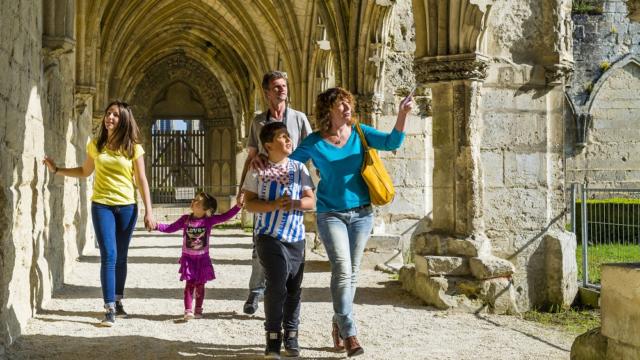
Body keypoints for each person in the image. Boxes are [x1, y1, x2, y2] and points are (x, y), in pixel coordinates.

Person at [289, 87, 413, 357]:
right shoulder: (314, 142)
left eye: (348, 104)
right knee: (343, 269)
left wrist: (403, 114)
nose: (347, 108)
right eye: (341, 105)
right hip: (329, 213)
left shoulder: (360, 132)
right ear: (328, 111)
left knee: (352, 272)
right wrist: (266, 167)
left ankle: (338, 321)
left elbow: (392, 142)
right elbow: (290, 166)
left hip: (362, 214)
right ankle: (350, 331)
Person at [43, 100, 156, 327]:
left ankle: (118, 299)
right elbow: (85, 171)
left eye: (114, 115)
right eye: (107, 114)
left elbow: (141, 180)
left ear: (123, 119)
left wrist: (148, 211)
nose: (109, 118)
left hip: (127, 207)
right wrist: (57, 170)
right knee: (109, 255)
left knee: (121, 257)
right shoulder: (96, 145)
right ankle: (109, 308)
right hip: (102, 206)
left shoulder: (134, 148)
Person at [237, 70, 312, 315]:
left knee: (290, 242)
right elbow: (251, 157)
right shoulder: (258, 121)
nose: (282, 90)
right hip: (265, 186)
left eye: (284, 86)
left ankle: (281, 292)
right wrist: (242, 189)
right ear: (267, 92)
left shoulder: (299, 119)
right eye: (276, 87)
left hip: (292, 184)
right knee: (260, 243)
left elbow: (312, 149)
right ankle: (256, 291)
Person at [243, 122, 315, 359]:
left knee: (294, 287)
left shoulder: (299, 168)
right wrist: (273, 205)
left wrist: (294, 204)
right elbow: (249, 203)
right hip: (268, 236)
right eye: (282, 136)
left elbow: (310, 201)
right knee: (276, 283)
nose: (288, 139)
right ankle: (273, 336)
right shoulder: (258, 169)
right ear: (268, 144)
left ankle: (291, 334)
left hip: (296, 237)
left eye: (288, 135)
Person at [154, 192, 241, 320]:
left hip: (203, 259)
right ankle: (188, 310)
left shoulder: (209, 221)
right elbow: (170, 228)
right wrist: (156, 226)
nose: (193, 201)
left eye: (198, 201)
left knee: (200, 285)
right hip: (188, 259)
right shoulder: (185, 219)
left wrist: (238, 206)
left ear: (206, 209)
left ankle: (198, 309)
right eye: (194, 199)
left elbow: (225, 216)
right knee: (189, 284)